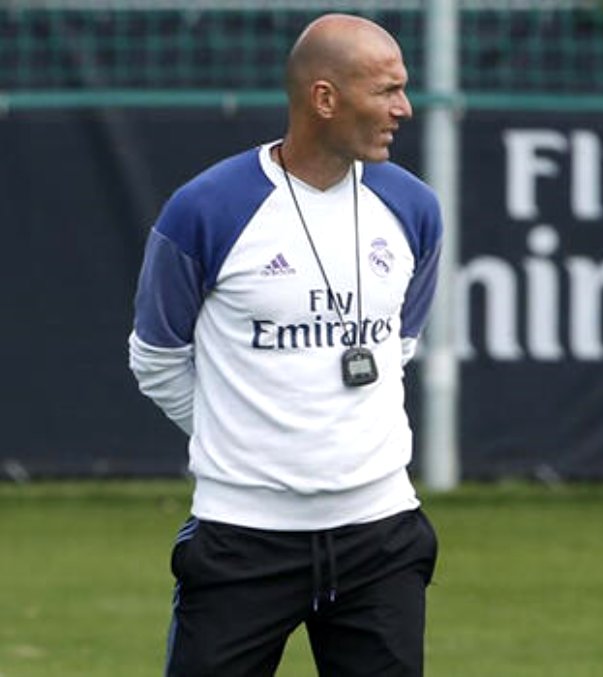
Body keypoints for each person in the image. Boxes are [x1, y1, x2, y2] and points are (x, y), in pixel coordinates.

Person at [128, 14, 441, 676]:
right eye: (387, 90)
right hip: (240, 540)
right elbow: (156, 358)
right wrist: (241, 438)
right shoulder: (206, 209)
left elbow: (397, 346)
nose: (404, 109)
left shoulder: (415, 208)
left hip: (382, 536)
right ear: (324, 98)